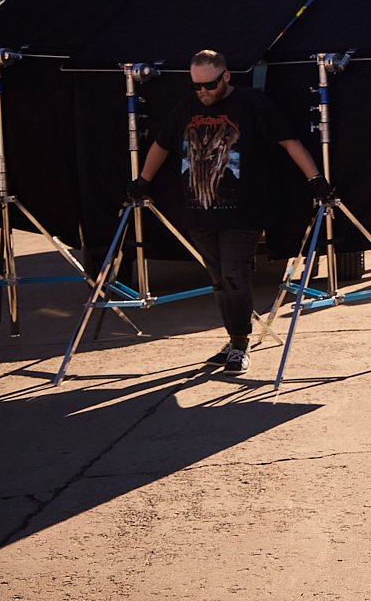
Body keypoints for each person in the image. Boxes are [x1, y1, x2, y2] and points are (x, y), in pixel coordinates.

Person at [130, 50, 328, 374]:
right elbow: (162, 145)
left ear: (225, 77)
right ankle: (233, 339)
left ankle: (240, 345)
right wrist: (142, 180)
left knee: (236, 277)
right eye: (195, 86)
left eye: (208, 85)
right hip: (199, 213)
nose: (202, 92)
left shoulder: (252, 104)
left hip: (243, 213)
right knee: (220, 281)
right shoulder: (186, 107)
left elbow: (289, 141)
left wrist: (315, 179)